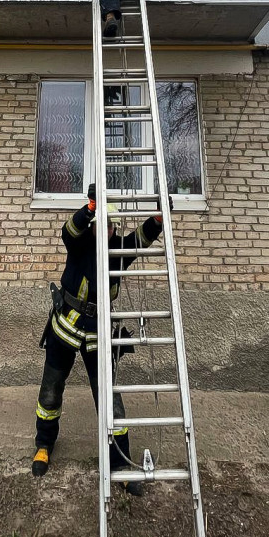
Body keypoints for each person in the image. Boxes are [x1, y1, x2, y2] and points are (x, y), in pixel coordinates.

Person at [32, 184, 166, 493]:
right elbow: (68, 230)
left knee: (110, 400)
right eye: (100, 224)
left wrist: (158, 219)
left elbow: (141, 240)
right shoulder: (79, 243)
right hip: (64, 327)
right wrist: (90, 206)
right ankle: (44, 444)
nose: (105, 230)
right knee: (50, 391)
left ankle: (120, 462)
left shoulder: (118, 251)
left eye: (110, 225)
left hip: (99, 334)